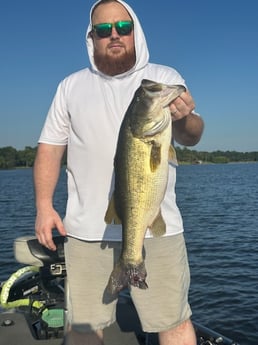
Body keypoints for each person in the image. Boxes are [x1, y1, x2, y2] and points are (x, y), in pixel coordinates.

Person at [34, 1, 204, 344]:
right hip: (86, 229)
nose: (114, 35)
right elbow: (50, 148)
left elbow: (192, 135)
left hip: (159, 227)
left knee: (173, 321)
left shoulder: (164, 78)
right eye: (103, 29)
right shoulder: (70, 86)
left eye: (123, 28)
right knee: (84, 327)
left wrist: (185, 117)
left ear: (135, 31)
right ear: (91, 37)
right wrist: (43, 207)